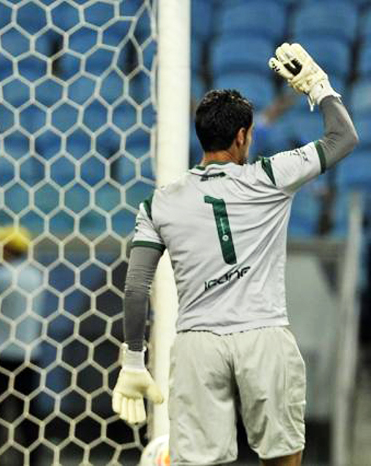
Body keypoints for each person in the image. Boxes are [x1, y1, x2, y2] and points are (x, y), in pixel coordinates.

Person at [111, 43, 358, 465]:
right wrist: (318, 87)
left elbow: (136, 286)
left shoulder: (159, 204)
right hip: (262, 333)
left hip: (197, 342)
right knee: (282, 457)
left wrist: (134, 359)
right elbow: (343, 137)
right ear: (243, 136)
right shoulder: (270, 176)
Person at [0, 226, 46, 465]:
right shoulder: (36, 276)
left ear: (7, 248)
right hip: (29, 354)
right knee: (29, 414)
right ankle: (33, 459)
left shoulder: (0, 277)